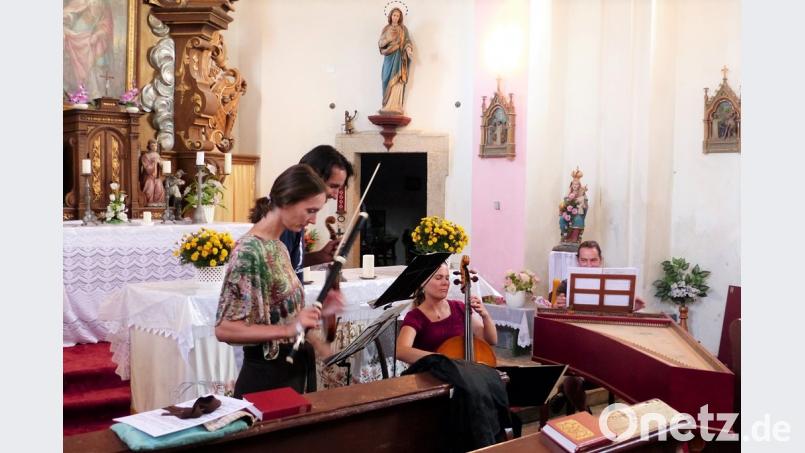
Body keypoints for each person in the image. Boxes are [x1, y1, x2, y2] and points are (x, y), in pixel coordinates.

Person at [215, 164, 345, 396]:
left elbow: (284, 315)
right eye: (310, 210)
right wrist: (287, 329)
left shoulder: (279, 246)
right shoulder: (248, 251)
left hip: (290, 373)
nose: (314, 220)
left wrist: (321, 313)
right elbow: (225, 329)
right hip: (265, 378)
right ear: (286, 202)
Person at [396, 263, 497, 364]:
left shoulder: (459, 307)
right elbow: (401, 351)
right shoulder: (416, 316)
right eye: (438, 278)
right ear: (423, 283)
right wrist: (441, 358)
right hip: (430, 373)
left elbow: (491, 340)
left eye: (447, 278)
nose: (445, 283)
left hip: (460, 371)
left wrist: (485, 316)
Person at [280, 145, 355, 280]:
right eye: (333, 186)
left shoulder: (295, 218)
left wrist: (319, 256)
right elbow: (277, 277)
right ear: (312, 179)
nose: (335, 195)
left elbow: (289, 265)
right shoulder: (286, 220)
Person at [551, 240, 645, 311]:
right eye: (584, 260)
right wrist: (557, 306)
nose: (589, 265)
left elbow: (617, 314)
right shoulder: (565, 285)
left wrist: (633, 308)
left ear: (601, 260)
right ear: (578, 261)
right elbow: (555, 312)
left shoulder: (617, 284)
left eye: (593, 260)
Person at [378, 7, 413, 115]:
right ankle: (386, 105)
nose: (395, 17)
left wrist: (408, 50)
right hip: (388, 57)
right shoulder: (386, 29)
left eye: (398, 15)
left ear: (400, 17)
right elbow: (380, 44)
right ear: (390, 16)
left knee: (397, 80)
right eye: (394, 15)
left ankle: (395, 106)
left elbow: (407, 41)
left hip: (399, 57)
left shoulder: (403, 29)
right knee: (385, 79)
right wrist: (389, 40)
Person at [139, 139, 165, 205]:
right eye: (152, 145)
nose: (154, 147)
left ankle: (158, 202)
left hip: (157, 176)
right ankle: (149, 202)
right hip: (148, 176)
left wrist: (162, 164)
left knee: (159, 185)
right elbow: (147, 168)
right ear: (149, 146)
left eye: (156, 145)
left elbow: (162, 166)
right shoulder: (145, 156)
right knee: (150, 185)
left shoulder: (157, 155)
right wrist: (154, 162)